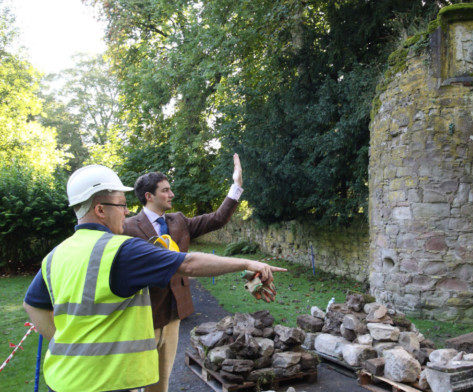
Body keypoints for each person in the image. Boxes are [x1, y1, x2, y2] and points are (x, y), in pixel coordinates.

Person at [23, 164, 285, 392]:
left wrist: (64, 341)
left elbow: (32, 304)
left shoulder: (55, 255)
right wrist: (250, 263)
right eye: (121, 205)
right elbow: (190, 264)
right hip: (106, 380)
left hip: (62, 378)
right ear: (100, 210)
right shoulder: (121, 246)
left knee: (162, 382)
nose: (125, 211)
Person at [122, 153, 244, 392]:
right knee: (135, 382)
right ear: (149, 196)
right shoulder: (126, 227)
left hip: (173, 315)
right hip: (142, 317)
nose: (172, 194)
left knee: (161, 381)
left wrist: (236, 187)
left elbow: (217, 219)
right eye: (166, 190)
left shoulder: (178, 221)